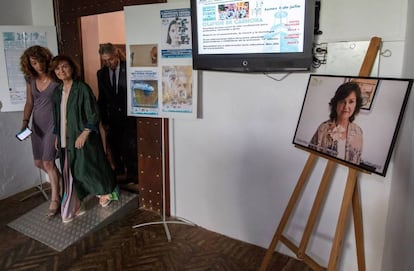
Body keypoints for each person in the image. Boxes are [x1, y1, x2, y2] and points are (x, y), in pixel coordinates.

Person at [51, 55, 119, 223]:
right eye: (57, 69)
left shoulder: (82, 88)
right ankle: (77, 202)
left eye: (64, 67)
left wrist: (85, 132)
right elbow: (57, 117)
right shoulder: (57, 92)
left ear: (72, 68)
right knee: (72, 171)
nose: (61, 71)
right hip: (65, 139)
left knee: (87, 168)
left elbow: (93, 112)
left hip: (83, 137)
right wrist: (56, 136)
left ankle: (107, 191)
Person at [19, 45, 61, 217]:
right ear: (29, 64)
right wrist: (24, 123)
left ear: (47, 59)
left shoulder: (55, 77)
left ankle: (55, 199)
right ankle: (62, 184)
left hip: (53, 123)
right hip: (37, 124)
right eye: (34, 63)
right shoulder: (30, 79)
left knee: (49, 162)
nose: (39, 66)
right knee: (39, 162)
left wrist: (61, 129)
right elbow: (29, 103)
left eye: (41, 61)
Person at [97, 43, 138, 184]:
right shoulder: (101, 74)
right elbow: (102, 98)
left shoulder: (129, 68)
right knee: (115, 146)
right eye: (104, 60)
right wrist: (103, 119)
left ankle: (133, 175)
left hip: (129, 116)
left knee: (130, 146)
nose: (108, 63)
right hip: (112, 117)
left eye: (110, 59)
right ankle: (119, 172)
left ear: (116, 55)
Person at [309, 81, 363, 164]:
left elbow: (357, 161)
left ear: (356, 105)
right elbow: (310, 157)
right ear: (336, 103)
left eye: (351, 102)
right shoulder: (322, 129)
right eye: (342, 101)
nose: (346, 106)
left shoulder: (358, 132)